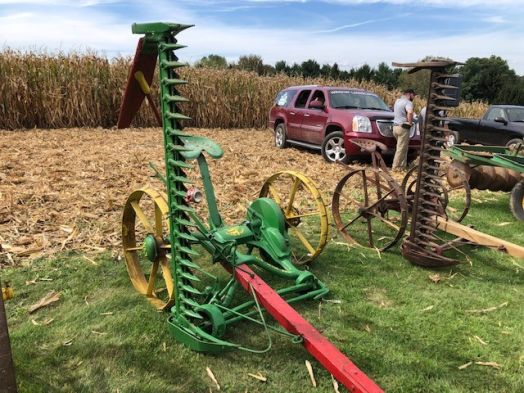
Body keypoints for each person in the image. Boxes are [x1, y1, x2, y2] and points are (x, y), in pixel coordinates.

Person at [392, 88, 417, 170]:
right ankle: (395, 168)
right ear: (409, 94)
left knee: (403, 148)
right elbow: (410, 112)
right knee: (401, 149)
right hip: (403, 128)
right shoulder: (408, 102)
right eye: (413, 95)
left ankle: (402, 167)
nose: (414, 97)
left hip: (395, 127)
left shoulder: (397, 101)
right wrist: (410, 123)